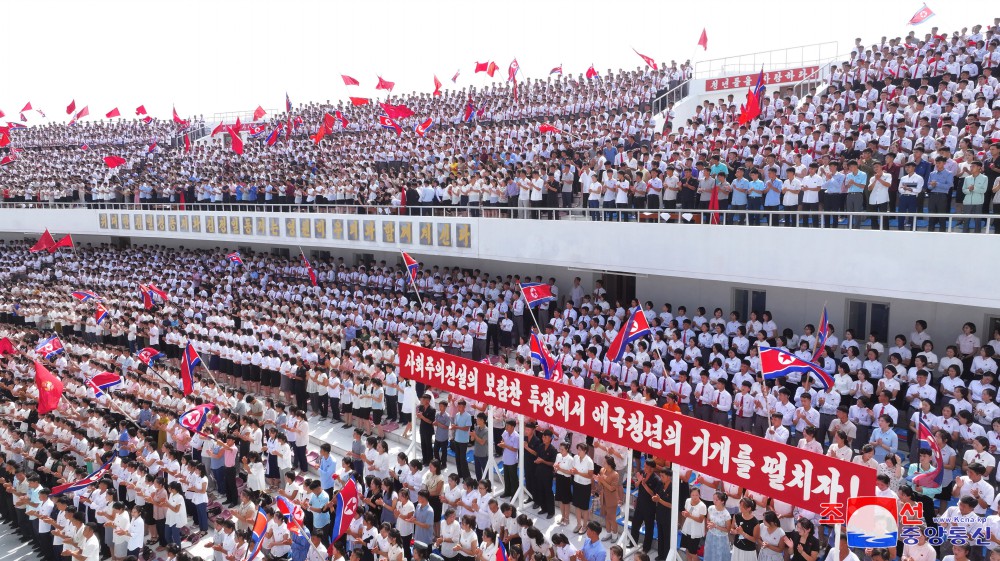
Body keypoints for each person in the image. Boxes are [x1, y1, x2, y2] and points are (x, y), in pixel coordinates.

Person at [681, 487, 707, 561]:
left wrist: (689, 516)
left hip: (696, 531)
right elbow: (686, 511)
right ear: (690, 495)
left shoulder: (702, 506)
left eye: (696, 495)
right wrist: (685, 514)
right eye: (693, 495)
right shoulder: (687, 501)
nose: (695, 497)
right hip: (687, 528)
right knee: (687, 549)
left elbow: (700, 520)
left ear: (699, 495)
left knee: (693, 552)